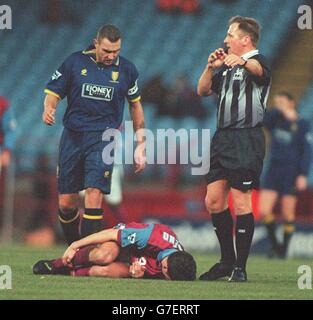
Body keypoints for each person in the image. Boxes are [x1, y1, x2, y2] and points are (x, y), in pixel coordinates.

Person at [42, 25, 146, 245]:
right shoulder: (74, 62)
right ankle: (74, 247)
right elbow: (53, 93)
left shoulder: (127, 70)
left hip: (104, 138)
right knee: (67, 203)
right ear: (96, 43)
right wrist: (48, 108)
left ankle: (86, 255)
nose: (111, 56)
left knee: (94, 192)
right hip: (73, 136)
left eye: (116, 51)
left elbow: (136, 107)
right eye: (107, 51)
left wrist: (141, 144)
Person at [197, 16, 271, 282]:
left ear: (245, 39)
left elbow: (259, 72)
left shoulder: (258, 61)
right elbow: (203, 91)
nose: (226, 39)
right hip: (223, 139)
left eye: (230, 35)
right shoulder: (227, 68)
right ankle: (226, 261)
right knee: (213, 200)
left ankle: (240, 267)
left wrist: (242, 61)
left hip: (245, 139)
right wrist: (210, 67)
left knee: (241, 200)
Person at [33, 222, 197, 281]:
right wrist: (75, 244)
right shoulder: (151, 237)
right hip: (123, 243)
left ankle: (68, 274)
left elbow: (146, 271)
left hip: (137, 258)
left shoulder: (178, 262)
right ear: (165, 268)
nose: (166, 280)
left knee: (102, 271)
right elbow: (111, 234)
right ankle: (57, 264)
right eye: (166, 277)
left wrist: (139, 275)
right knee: (104, 255)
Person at [260, 92, 312, 258]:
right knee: (263, 209)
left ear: (292, 102)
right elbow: (263, 120)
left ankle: (284, 249)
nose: (279, 104)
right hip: (274, 168)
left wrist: (303, 174)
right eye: (277, 102)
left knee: (288, 212)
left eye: (282, 101)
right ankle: (275, 244)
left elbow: (307, 150)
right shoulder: (275, 120)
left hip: (291, 170)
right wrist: (277, 111)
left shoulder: (303, 123)